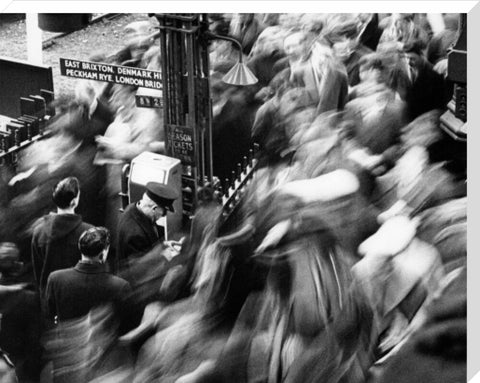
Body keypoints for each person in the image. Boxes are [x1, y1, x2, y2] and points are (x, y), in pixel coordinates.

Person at [45, 227, 131, 323]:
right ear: (104, 252)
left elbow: (50, 315)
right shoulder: (120, 286)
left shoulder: (55, 279)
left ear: (79, 246)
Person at [31, 177, 93, 297]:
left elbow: (37, 273)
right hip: (77, 297)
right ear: (74, 202)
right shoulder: (87, 232)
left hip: (50, 297)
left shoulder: (39, 232)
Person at [116, 182, 179, 268]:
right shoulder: (135, 234)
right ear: (154, 209)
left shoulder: (133, 209)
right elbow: (141, 269)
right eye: (163, 213)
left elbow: (146, 247)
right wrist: (165, 256)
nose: (162, 216)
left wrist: (164, 245)